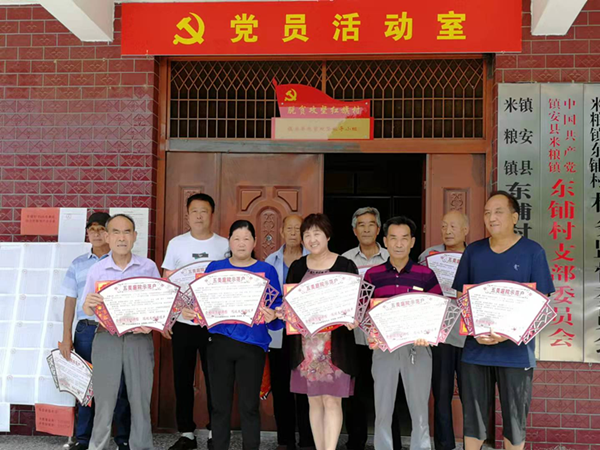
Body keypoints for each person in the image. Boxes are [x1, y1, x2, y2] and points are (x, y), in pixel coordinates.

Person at [452, 191, 554, 450]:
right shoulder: (473, 251)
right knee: (473, 423)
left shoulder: (532, 252)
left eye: (498, 211)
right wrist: (475, 331)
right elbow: (461, 297)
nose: (491, 217)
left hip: (516, 354)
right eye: (487, 213)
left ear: (515, 217)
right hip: (476, 352)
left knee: (514, 423)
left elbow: (541, 303)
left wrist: (510, 332)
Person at [200, 220, 283, 450]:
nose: (241, 243)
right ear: (229, 242)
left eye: (246, 238)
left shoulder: (266, 270)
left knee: (249, 406)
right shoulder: (215, 268)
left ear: (254, 242)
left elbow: (277, 305)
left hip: (253, 345)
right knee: (219, 405)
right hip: (219, 342)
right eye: (236, 238)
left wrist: (273, 314)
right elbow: (202, 300)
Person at [82, 214, 161, 450]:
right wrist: (89, 303)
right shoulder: (97, 270)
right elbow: (86, 309)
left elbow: (159, 302)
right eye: (115, 232)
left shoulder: (148, 267)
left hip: (139, 338)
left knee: (140, 399)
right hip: (107, 337)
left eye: (127, 232)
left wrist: (153, 323)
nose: (121, 237)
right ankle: (98, 446)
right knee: (104, 400)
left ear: (135, 236)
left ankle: (142, 446)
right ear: (107, 237)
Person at [364, 216, 443, 450]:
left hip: (417, 348)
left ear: (412, 242)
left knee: (419, 411)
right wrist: (371, 333)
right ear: (385, 241)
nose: (399, 244)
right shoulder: (373, 275)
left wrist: (428, 333)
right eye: (393, 238)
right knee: (383, 410)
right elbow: (363, 313)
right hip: (383, 348)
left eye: (404, 238)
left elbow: (437, 311)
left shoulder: (425, 274)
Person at [162, 193, 230, 450]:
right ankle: (187, 433)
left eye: (204, 211)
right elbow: (167, 282)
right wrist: (170, 317)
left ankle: (215, 431)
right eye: (194, 211)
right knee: (182, 378)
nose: (199, 216)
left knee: (216, 379)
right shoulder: (176, 244)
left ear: (212, 214)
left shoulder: (224, 244)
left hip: (215, 324)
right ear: (187, 215)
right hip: (183, 323)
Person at [286, 213, 359, 450]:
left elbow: (356, 303)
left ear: (327, 236)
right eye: (307, 234)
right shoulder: (297, 267)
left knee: (332, 401)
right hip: (306, 347)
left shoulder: (345, 265)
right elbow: (290, 303)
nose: (312, 239)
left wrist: (353, 318)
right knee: (314, 401)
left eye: (317, 233)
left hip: (335, 346)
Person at [59, 212, 131, 450]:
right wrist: (66, 337)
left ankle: (122, 438)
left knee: (120, 385)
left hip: (115, 330)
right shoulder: (78, 264)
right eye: (92, 229)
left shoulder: (121, 260)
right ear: (87, 233)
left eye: (102, 229)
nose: (97, 234)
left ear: (109, 234)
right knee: (85, 385)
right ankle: (83, 439)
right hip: (86, 331)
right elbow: (70, 301)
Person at [417, 210, 469, 450]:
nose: (448, 231)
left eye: (453, 226)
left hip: (470, 336)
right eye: (444, 226)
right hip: (440, 334)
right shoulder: (429, 256)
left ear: (465, 230)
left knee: (472, 394)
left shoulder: (475, 255)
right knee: (441, 393)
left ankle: (472, 444)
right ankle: (444, 445)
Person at [340, 207, 389, 450]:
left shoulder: (391, 256)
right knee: (355, 393)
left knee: (387, 391)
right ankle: (355, 441)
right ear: (354, 230)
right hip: (354, 336)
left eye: (371, 224)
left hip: (384, 336)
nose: (367, 229)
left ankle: (390, 442)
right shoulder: (345, 260)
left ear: (378, 229)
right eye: (361, 225)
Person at [264, 215, 314, 450]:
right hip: (277, 331)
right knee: (281, 386)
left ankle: (307, 440)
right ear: (282, 232)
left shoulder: (313, 259)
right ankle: (285, 440)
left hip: (305, 334)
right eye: (289, 228)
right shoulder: (270, 260)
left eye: (298, 229)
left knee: (306, 388)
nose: (293, 232)